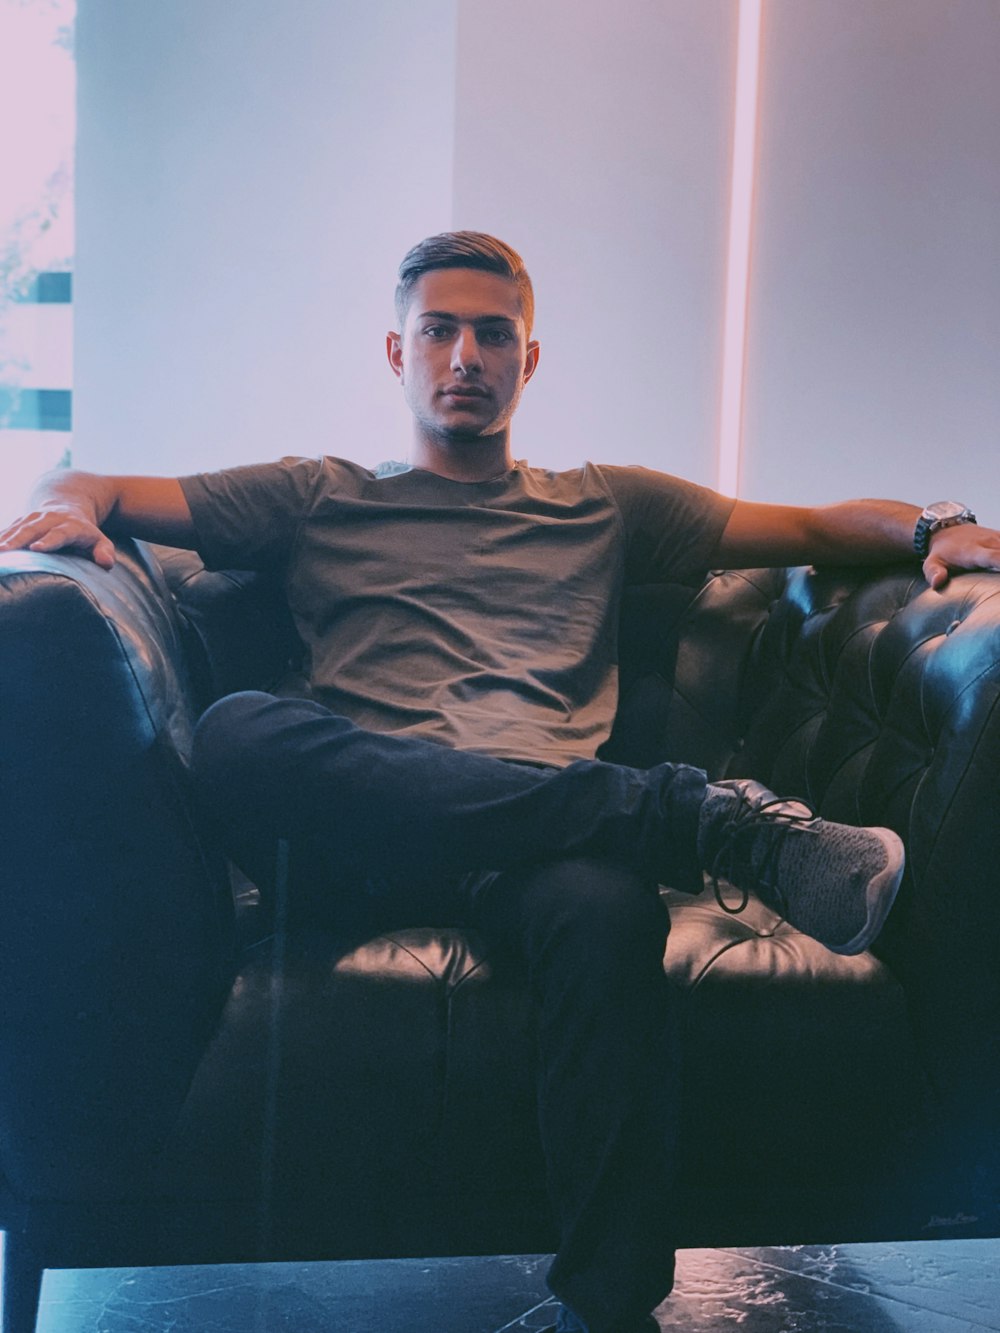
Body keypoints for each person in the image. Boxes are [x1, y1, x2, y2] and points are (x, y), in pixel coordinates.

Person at [2, 231, 999, 1333]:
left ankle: (607, 1309)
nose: (464, 355)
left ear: (530, 360)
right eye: (439, 330)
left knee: (602, 906)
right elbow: (98, 482)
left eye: (491, 333)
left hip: (539, 847)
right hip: (365, 839)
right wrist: (71, 503)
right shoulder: (318, 493)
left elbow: (810, 524)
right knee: (240, 732)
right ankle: (695, 820)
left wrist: (938, 524)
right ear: (397, 349)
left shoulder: (606, 503)